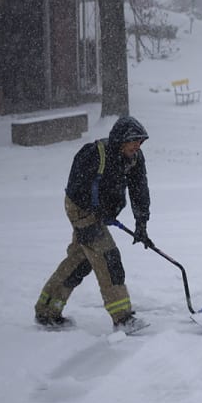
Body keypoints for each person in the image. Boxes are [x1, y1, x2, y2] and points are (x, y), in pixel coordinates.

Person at [35, 115, 155, 334]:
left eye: (140, 141)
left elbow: (140, 190)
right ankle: (123, 318)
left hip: (100, 212)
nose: (137, 145)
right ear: (120, 140)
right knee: (108, 258)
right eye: (133, 140)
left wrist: (141, 224)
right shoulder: (94, 153)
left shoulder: (135, 157)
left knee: (80, 261)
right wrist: (94, 207)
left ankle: (47, 310)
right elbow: (76, 185)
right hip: (81, 210)